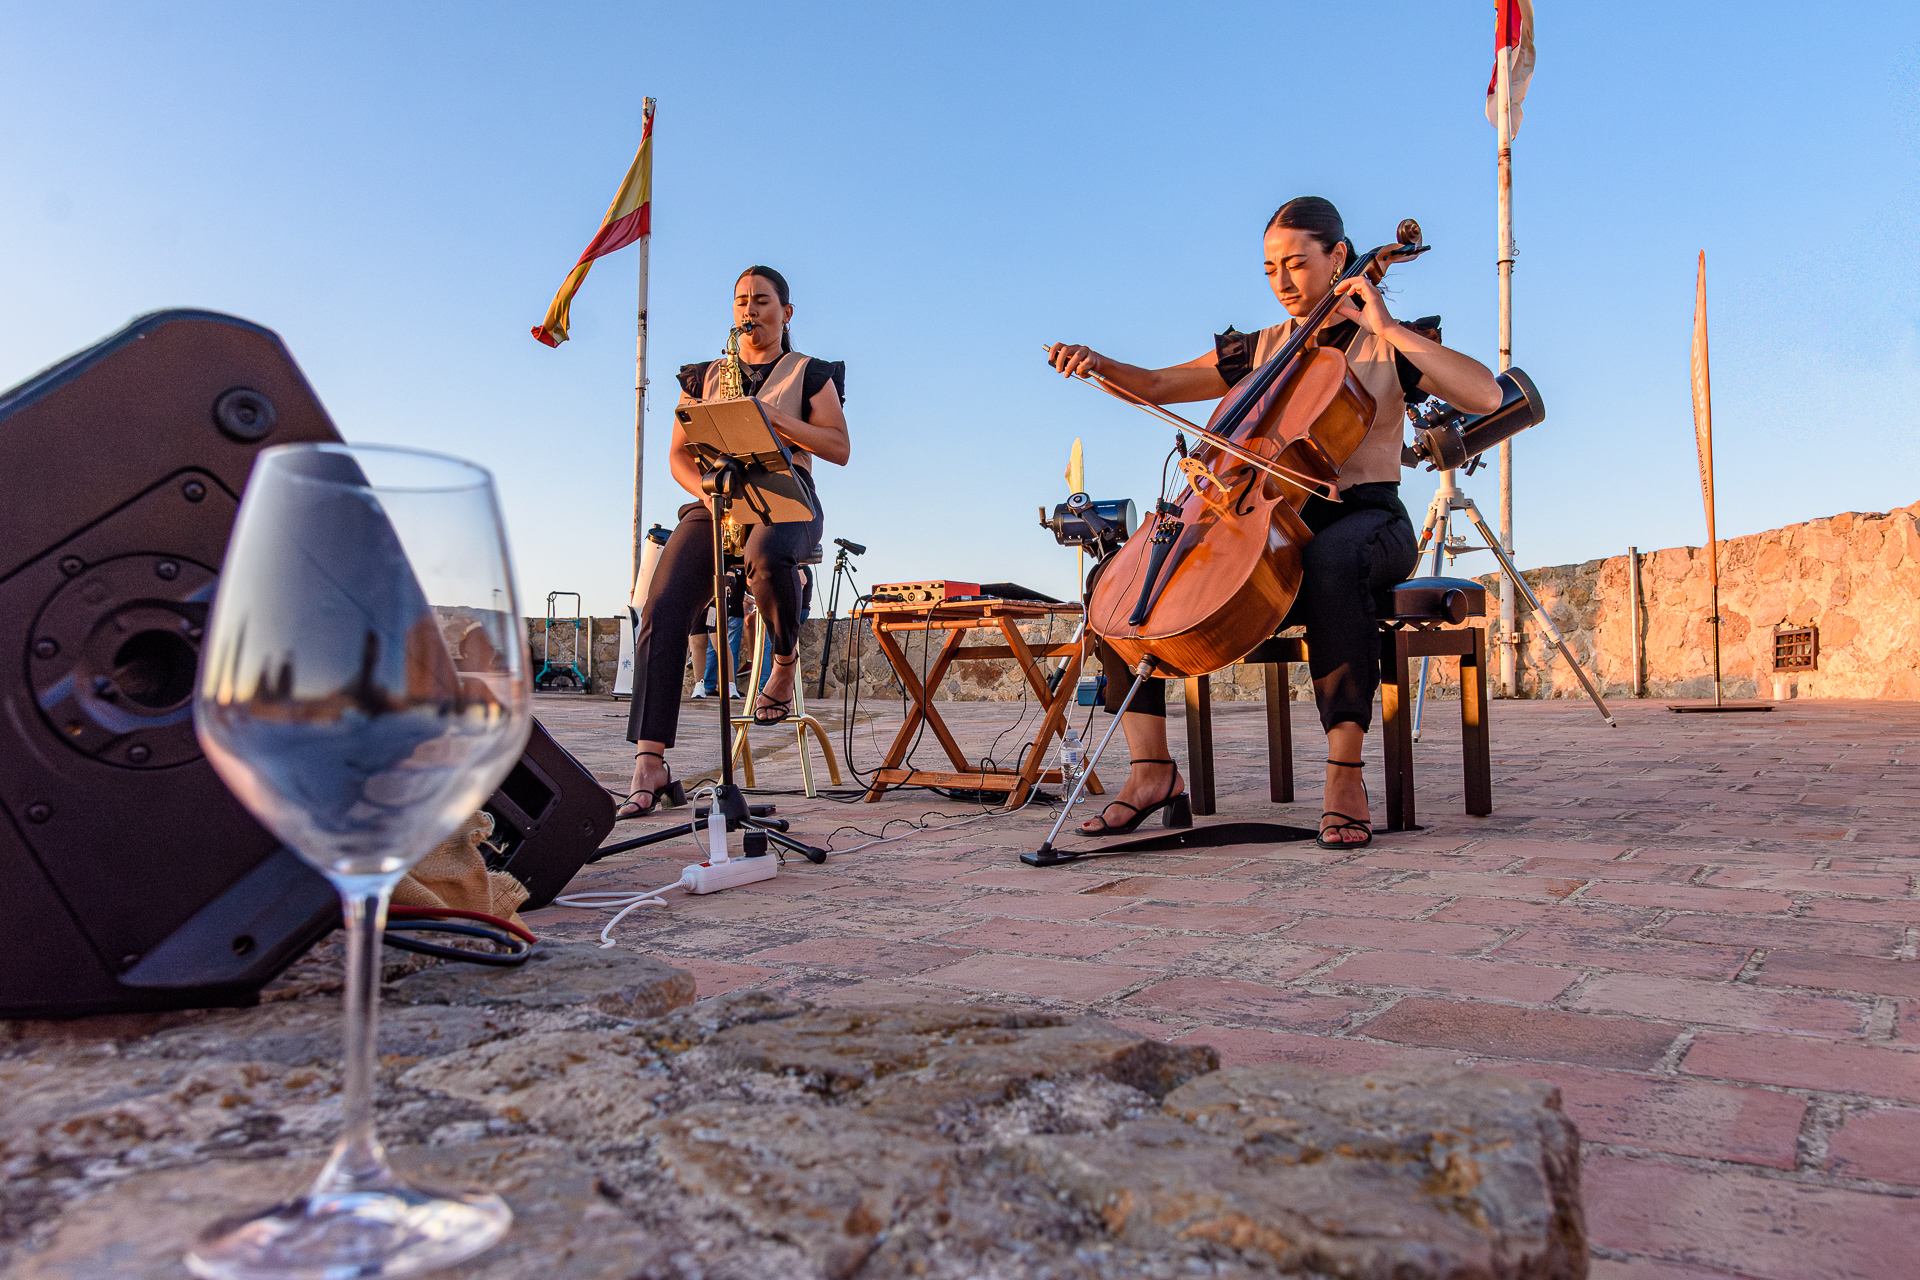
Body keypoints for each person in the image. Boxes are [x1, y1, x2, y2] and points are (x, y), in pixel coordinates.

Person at [1045, 197, 1501, 848]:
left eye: (1297, 264)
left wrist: (1387, 324)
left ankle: (1345, 773)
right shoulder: (1261, 349)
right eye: (1269, 269)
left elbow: (1485, 394)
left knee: (1331, 562)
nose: (1283, 282)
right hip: (1262, 518)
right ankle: (1151, 772)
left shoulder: (1390, 342)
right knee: (1116, 583)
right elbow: (1155, 383)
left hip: (1367, 516)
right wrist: (1098, 364)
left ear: (1339, 257)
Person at [622, 267, 850, 818]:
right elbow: (678, 452)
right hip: (717, 500)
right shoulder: (704, 375)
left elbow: (838, 447)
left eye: (763, 301)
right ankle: (650, 761)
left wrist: (774, 418)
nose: (751, 310)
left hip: (786, 495)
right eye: (742, 302)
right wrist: (704, 489)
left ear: (786, 312)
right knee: (664, 603)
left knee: (768, 558)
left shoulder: (810, 373)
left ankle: (784, 664)